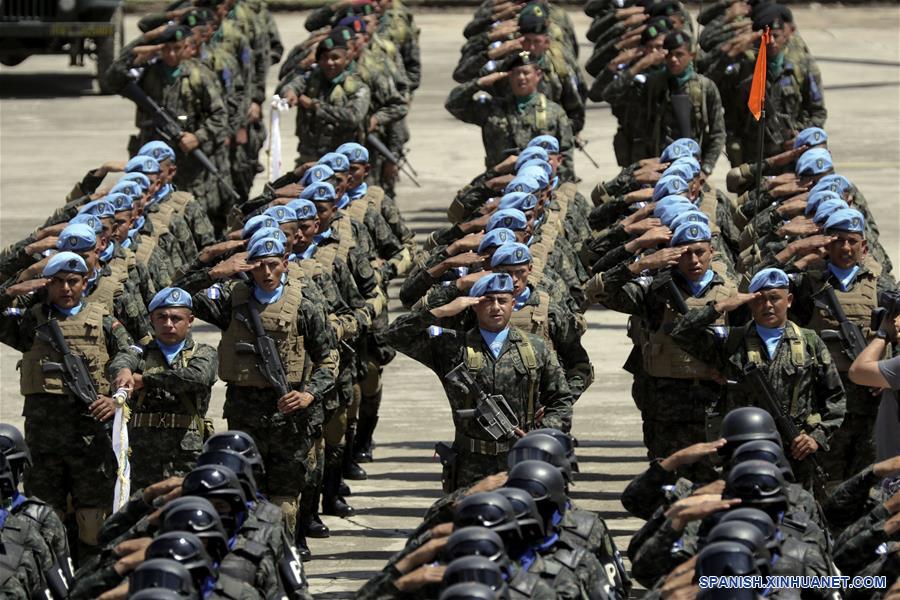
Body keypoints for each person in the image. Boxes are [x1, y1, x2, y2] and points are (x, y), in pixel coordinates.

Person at [175, 236, 337, 542]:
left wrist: (308, 394)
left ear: (285, 264)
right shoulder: (231, 299)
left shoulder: (304, 306)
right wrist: (213, 272)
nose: (266, 272)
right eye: (259, 265)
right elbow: (176, 297)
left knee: (285, 497)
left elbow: (328, 359)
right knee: (248, 491)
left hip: (288, 412)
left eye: (273, 264)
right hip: (243, 409)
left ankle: (288, 549)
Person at [0, 252, 139, 559]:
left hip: (89, 439)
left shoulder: (101, 318)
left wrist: (120, 380)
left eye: (73, 281)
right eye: (58, 282)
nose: (66, 288)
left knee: (93, 521)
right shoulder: (32, 321)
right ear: (47, 284)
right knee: (43, 518)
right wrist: (11, 290)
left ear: (84, 282)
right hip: (44, 440)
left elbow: (129, 349)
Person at [385, 272, 573, 492]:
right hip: (470, 464)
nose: (495, 307)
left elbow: (561, 401)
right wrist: (444, 308)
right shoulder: (452, 347)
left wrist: (540, 433)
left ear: (513, 303)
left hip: (522, 459)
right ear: (473, 305)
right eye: (487, 301)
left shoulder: (535, 347)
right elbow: (393, 335)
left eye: (502, 300)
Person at [585, 220, 739, 479]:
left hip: (714, 402)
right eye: (683, 253)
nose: (693, 260)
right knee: (666, 477)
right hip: (665, 405)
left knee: (714, 478)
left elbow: (747, 342)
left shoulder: (731, 292)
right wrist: (641, 263)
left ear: (712, 251)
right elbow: (600, 293)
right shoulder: (655, 292)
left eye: (699, 252)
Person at [669, 267, 846, 489]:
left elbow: (835, 398)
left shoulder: (810, 342)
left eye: (775, 298)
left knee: (798, 514)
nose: (768, 306)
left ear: (789, 300)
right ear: (751, 303)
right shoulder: (732, 342)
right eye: (760, 300)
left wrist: (816, 438)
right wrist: (720, 307)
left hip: (796, 450)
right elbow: (681, 333)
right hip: (745, 449)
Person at [115, 287, 218, 490]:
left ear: (190, 321)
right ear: (152, 319)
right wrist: (124, 370)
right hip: (144, 452)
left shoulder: (203, 352)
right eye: (161, 317)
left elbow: (197, 377)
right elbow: (121, 361)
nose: (168, 324)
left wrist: (146, 380)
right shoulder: (140, 352)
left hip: (187, 450)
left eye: (176, 318)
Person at [445, 50, 575, 179]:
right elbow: (453, 104)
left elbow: (565, 155)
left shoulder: (554, 112)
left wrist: (559, 188)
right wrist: (478, 83)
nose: (521, 78)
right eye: (516, 73)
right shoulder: (492, 108)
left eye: (526, 73)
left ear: (538, 75)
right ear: (509, 77)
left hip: (539, 185)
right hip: (498, 182)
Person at [277, 26, 371, 164]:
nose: (329, 63)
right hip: (309, 157)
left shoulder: (357, 87)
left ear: (346, 60)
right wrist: (290, 92)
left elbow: (352, 116)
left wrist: (314, 106)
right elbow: (291, 86)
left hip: (341, 160)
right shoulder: (311, 78)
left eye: (335, 58)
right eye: (324, 58)